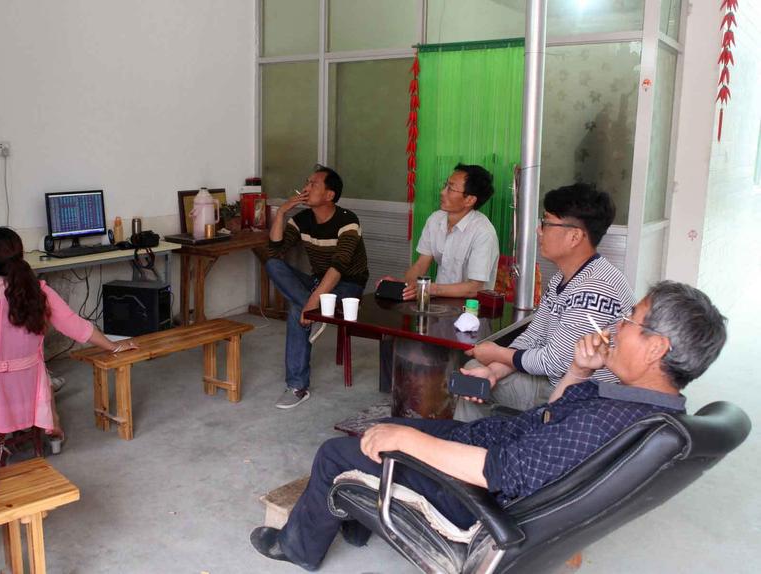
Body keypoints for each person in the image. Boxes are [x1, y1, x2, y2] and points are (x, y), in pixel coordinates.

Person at [250, 281, 727, 571]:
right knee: (387, 427)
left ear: (656, 348)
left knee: (340, 453)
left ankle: (298, 548)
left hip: (472, 495)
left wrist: (410, 440)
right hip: (493, 445)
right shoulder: (639, 407)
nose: (618, 325)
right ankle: (357, 515)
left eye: (631, 320)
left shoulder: (610, 419)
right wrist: (579, 371)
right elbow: (550, 417)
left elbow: (502, 472)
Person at [454, 183, 634, 421]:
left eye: (546, 223)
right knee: (476, 375)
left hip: (583, 397)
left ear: (574, 236)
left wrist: (498, 353)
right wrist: (493, 371)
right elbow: (534, 336)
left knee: (481, 370)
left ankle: (472, 441)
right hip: (553, 381)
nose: (539, 231)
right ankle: (468, 440)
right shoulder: (563, 277)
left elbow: (555, 361)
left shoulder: (596, 287)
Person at [0, 227, 137, 457]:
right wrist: (114, 346)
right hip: (25, 390)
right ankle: (53, 425)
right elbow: (75, 325)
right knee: (41, 373)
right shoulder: (38, 293)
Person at [377, 163, 499, 391]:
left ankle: (436, 391)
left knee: (439, 357)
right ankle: (394, 393)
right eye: (446, 185)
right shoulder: (436, 220)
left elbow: (474, 288)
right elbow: (421, 264)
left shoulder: (483, 232)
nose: (443, 192)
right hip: (438, 305)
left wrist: (428, 289)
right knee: (391, 331)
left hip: (471, 311)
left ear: (469, 200)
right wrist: (404, 285)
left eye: (451, 188)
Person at [265, 165, 369, 409]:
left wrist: (310, 303)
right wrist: (281, 212)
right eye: (307, 182)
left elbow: (338, 267)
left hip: (347, 287)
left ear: (329, 195)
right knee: (272, 265)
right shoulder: (302, 220)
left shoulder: (348, 220)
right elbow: (275, 250)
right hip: (317, 283)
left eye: (313, 184)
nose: (306, 188)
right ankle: (313, 310)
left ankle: (297, 386)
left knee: (297, 309)